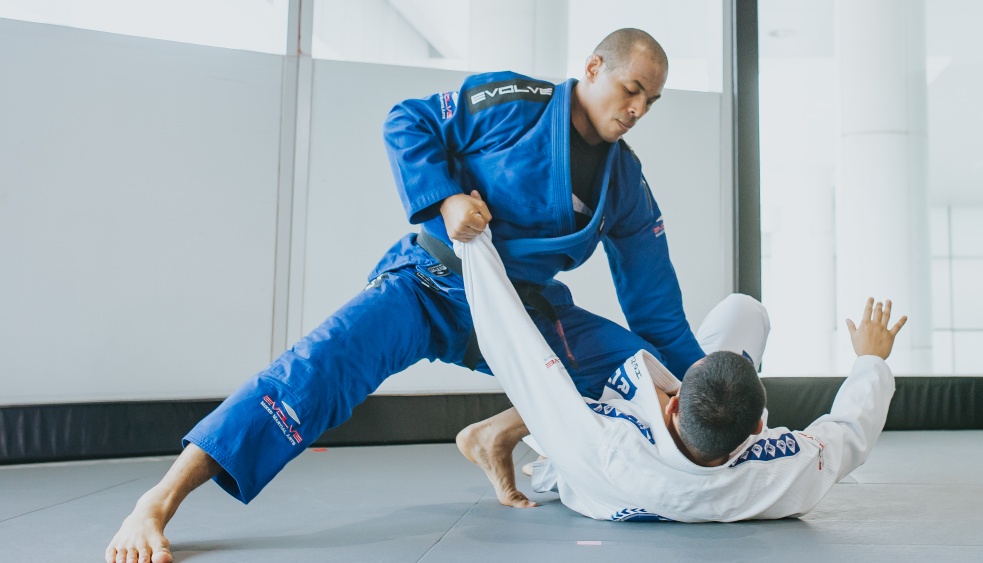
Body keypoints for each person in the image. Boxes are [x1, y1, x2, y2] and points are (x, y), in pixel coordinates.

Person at [107, 28, 706, 563]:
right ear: (594, 68)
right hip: (428, 285)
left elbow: (657, 309)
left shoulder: (626, 184)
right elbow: (407, 120)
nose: (637, 110)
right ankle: (158, 501)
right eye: (631, 89)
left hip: (520, 311)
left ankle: (495, 433)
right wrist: (446, 199)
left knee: (641, 373)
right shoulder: (515, 102)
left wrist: (711, 394)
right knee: (313, 370)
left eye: (650, 101)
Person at [455, 227, 907, 521]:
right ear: (758, 426)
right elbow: (850, 432)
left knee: (559, 390)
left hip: (583, 464)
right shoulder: (783, 473)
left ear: (673, 402)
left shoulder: (601, 441)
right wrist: (871, 358)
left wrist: (473, 241)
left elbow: (523, 354)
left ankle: (499, 434)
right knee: (745, 310)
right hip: (614, 471)